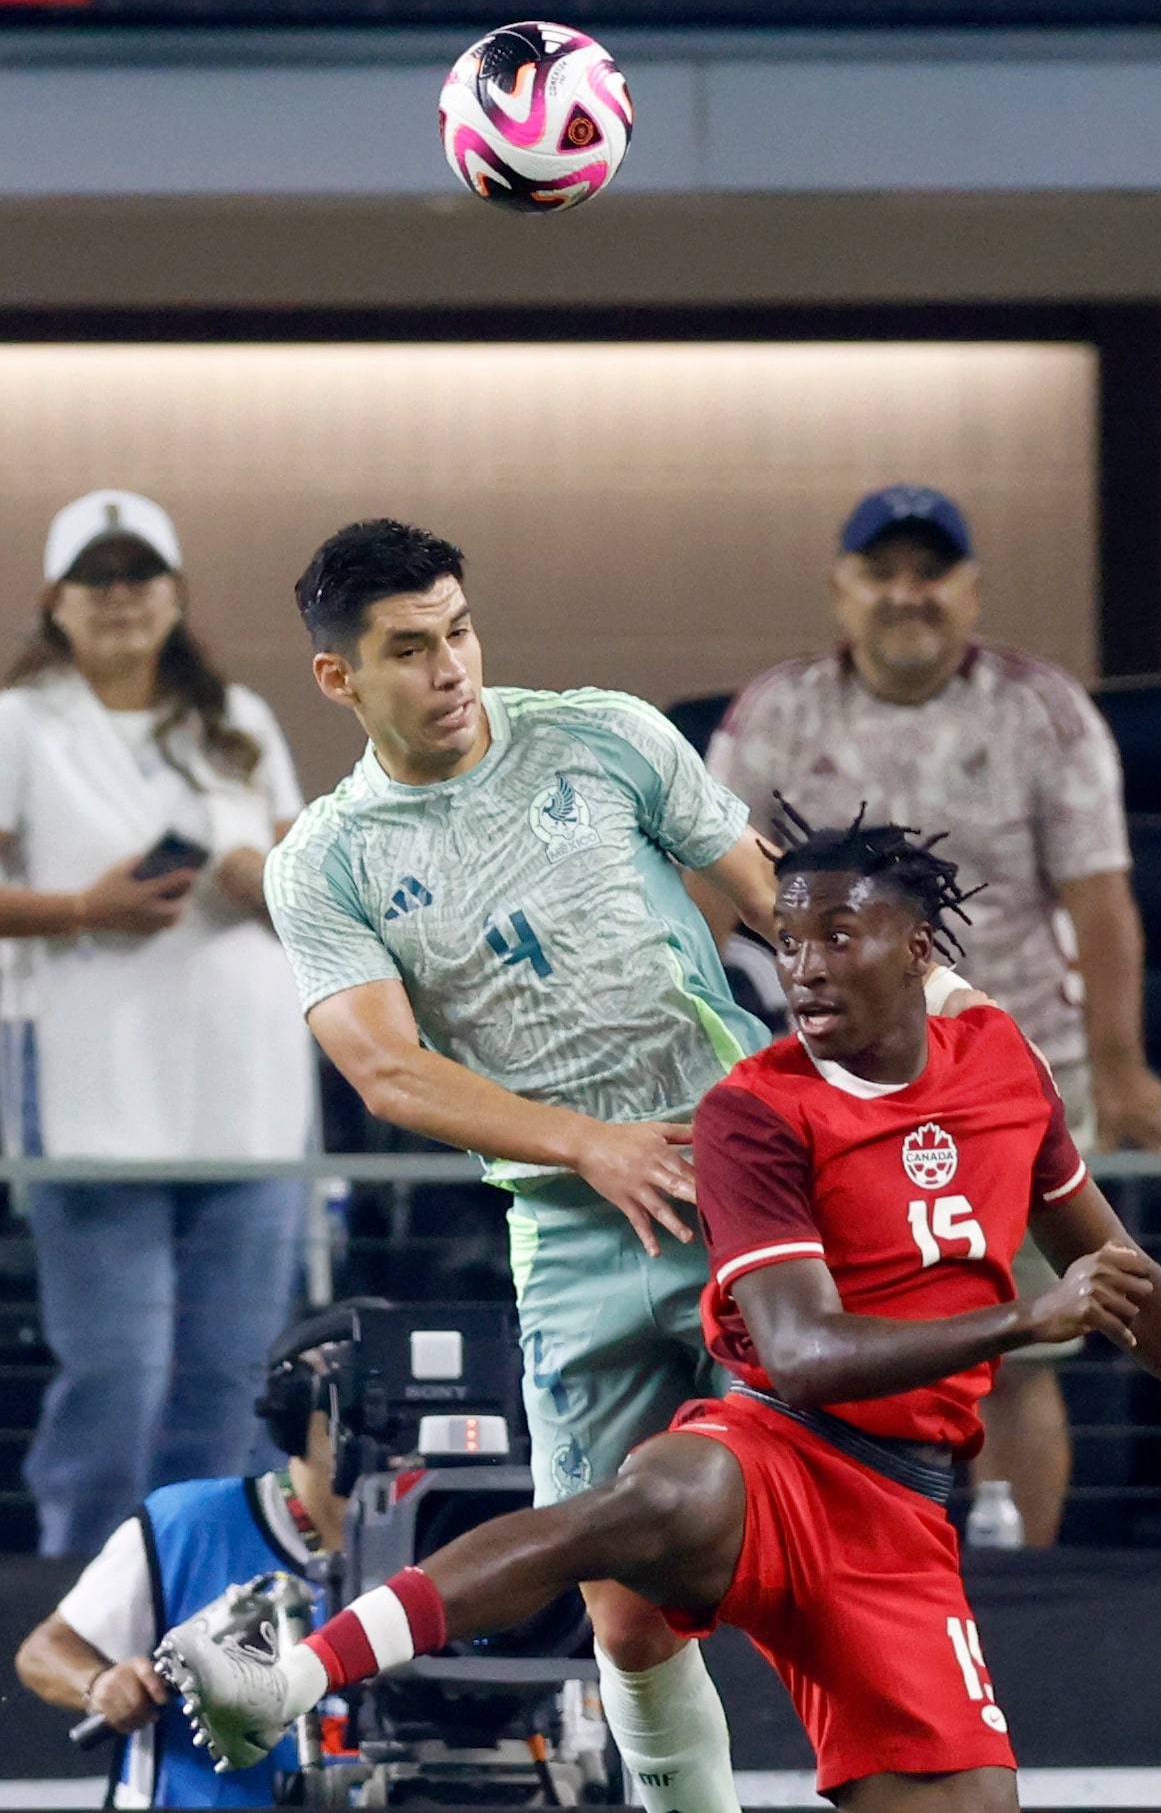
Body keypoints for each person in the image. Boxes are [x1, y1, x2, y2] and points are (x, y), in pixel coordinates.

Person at [158, 811, 1161, 1811]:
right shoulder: (756, 1108)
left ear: (920, 947)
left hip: (904, 1522)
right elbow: (797, 1352)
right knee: (633, 1509)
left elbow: (1128, 1278)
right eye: (784, 938)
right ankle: (280, 1670)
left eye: (836, 934)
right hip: (782, 1448)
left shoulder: (1000, 1064)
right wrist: (1020, 1321)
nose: (802, 963)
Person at [259, 517, 790, 1813]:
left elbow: (782, 906)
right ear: (340, 678)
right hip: (569, 1232)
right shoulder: (323, 861)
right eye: (408, 648)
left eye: (459, 630)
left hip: (747, 1186)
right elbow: (387, 1073)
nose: (450, 668)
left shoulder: (603, 733)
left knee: (816, 1544)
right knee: (618, 1608)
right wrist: (587, 1145)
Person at [707, 483, 1161, 1547]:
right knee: (846, 1341)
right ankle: (855, 1559)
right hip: (834, 1087)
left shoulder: (1042, 710)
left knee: (1025, 1357)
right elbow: (716, 887)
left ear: (970, 591)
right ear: (841, 592)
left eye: (930, 574)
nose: (906, 597)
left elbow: (1099, 899)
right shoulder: (777, 710)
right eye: (880, 574)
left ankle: (1019, 1578)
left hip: (1013, 1077)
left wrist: (1119, 1069)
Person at [0, 489, 312, 1558]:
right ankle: (80, 1587)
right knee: (119, 1369)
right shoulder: (23, 723)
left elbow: (307, 891)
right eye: (98, 577)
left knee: (232, 1370)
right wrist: (86, 909)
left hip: (247, 1088)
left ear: (178, 596)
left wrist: (248, 873)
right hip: (93, 1086)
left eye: (142, 575)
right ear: (58, 602)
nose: (122, 597)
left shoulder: (234, 722)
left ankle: (208, 1590)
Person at [15, 1306, 355, 1808]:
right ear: (293, 1414)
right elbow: (43, 1652)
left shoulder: (457, 1538)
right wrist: (99, 1685)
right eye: (354, 1405)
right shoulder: (190, 1522)